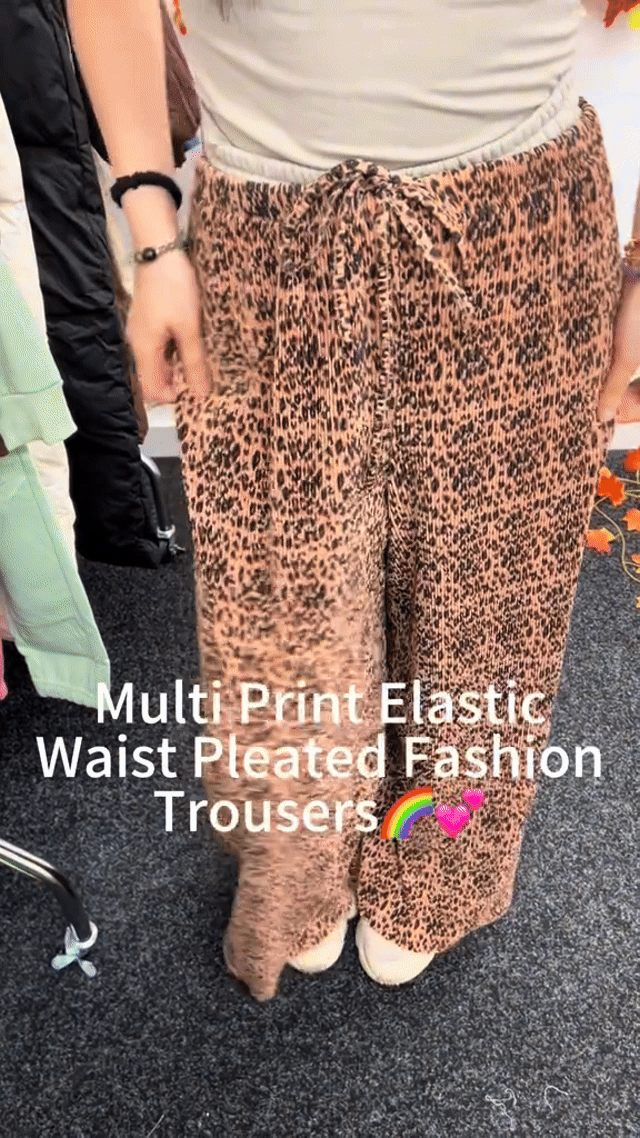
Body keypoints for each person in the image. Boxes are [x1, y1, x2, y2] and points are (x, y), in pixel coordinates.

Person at [66, 0, 640, 1001]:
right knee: (284, 617)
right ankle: (304, 869)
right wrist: (153, 234)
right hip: (265, 241)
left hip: (523, 232)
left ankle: (436, 870)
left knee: (484, 613)